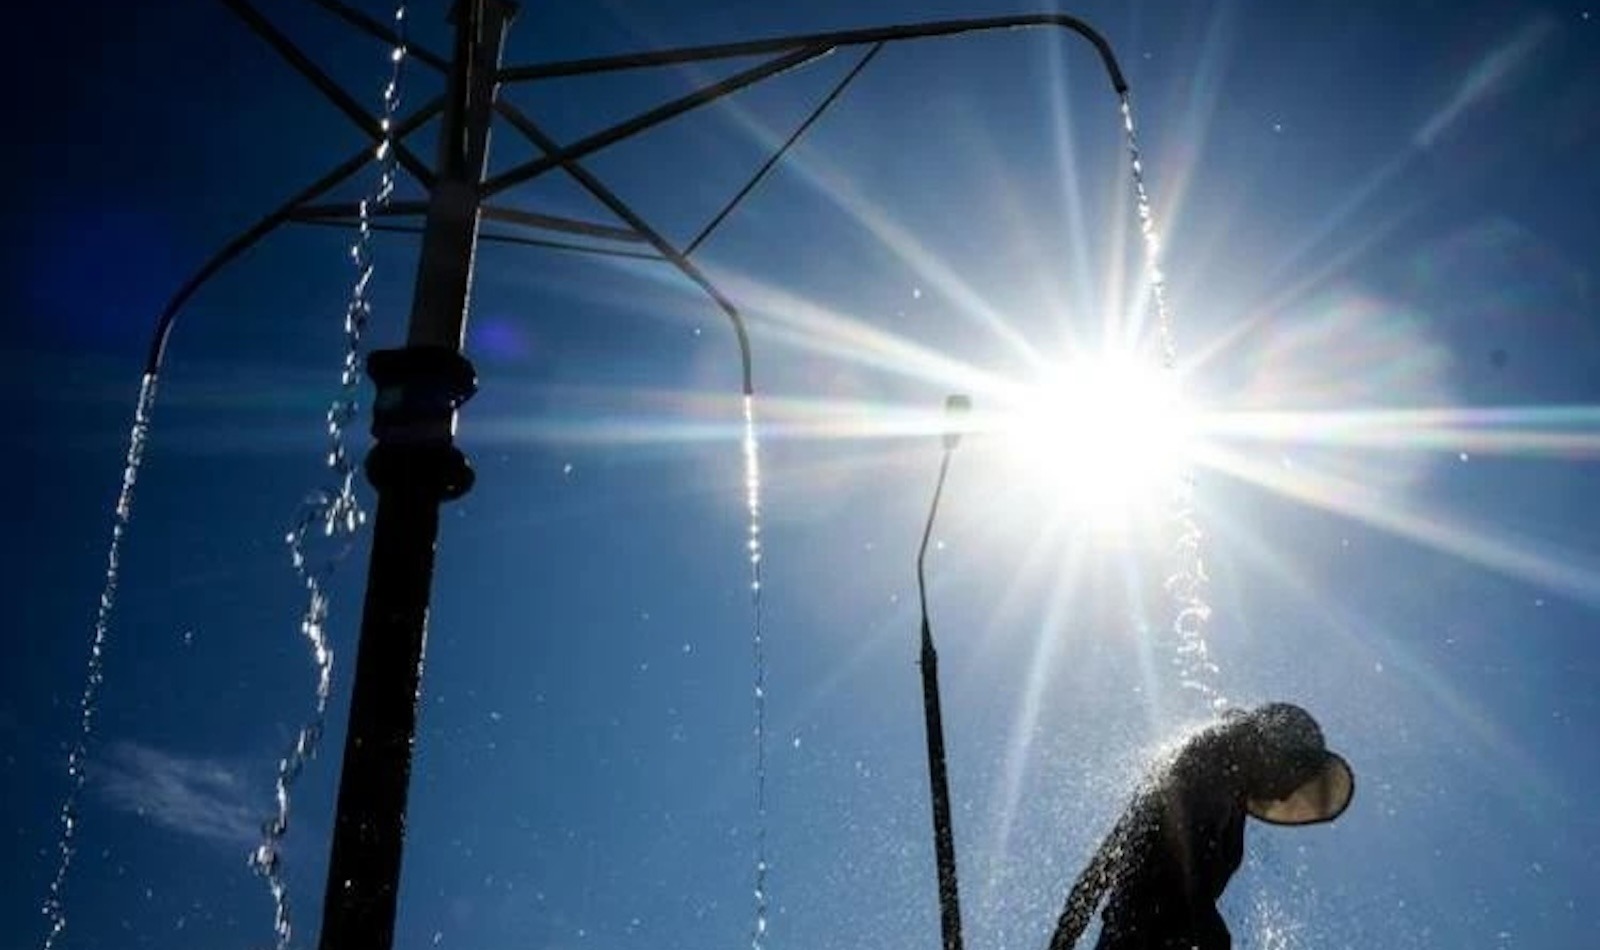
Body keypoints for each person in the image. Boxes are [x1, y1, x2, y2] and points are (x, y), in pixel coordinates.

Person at [1047, 702, 1354, 950]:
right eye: (1294, 778)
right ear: (1278, 752)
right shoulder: (1212, 754)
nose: (1287, 794)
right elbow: (1111, 863)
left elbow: (1103, 869)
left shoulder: (1233, 788)